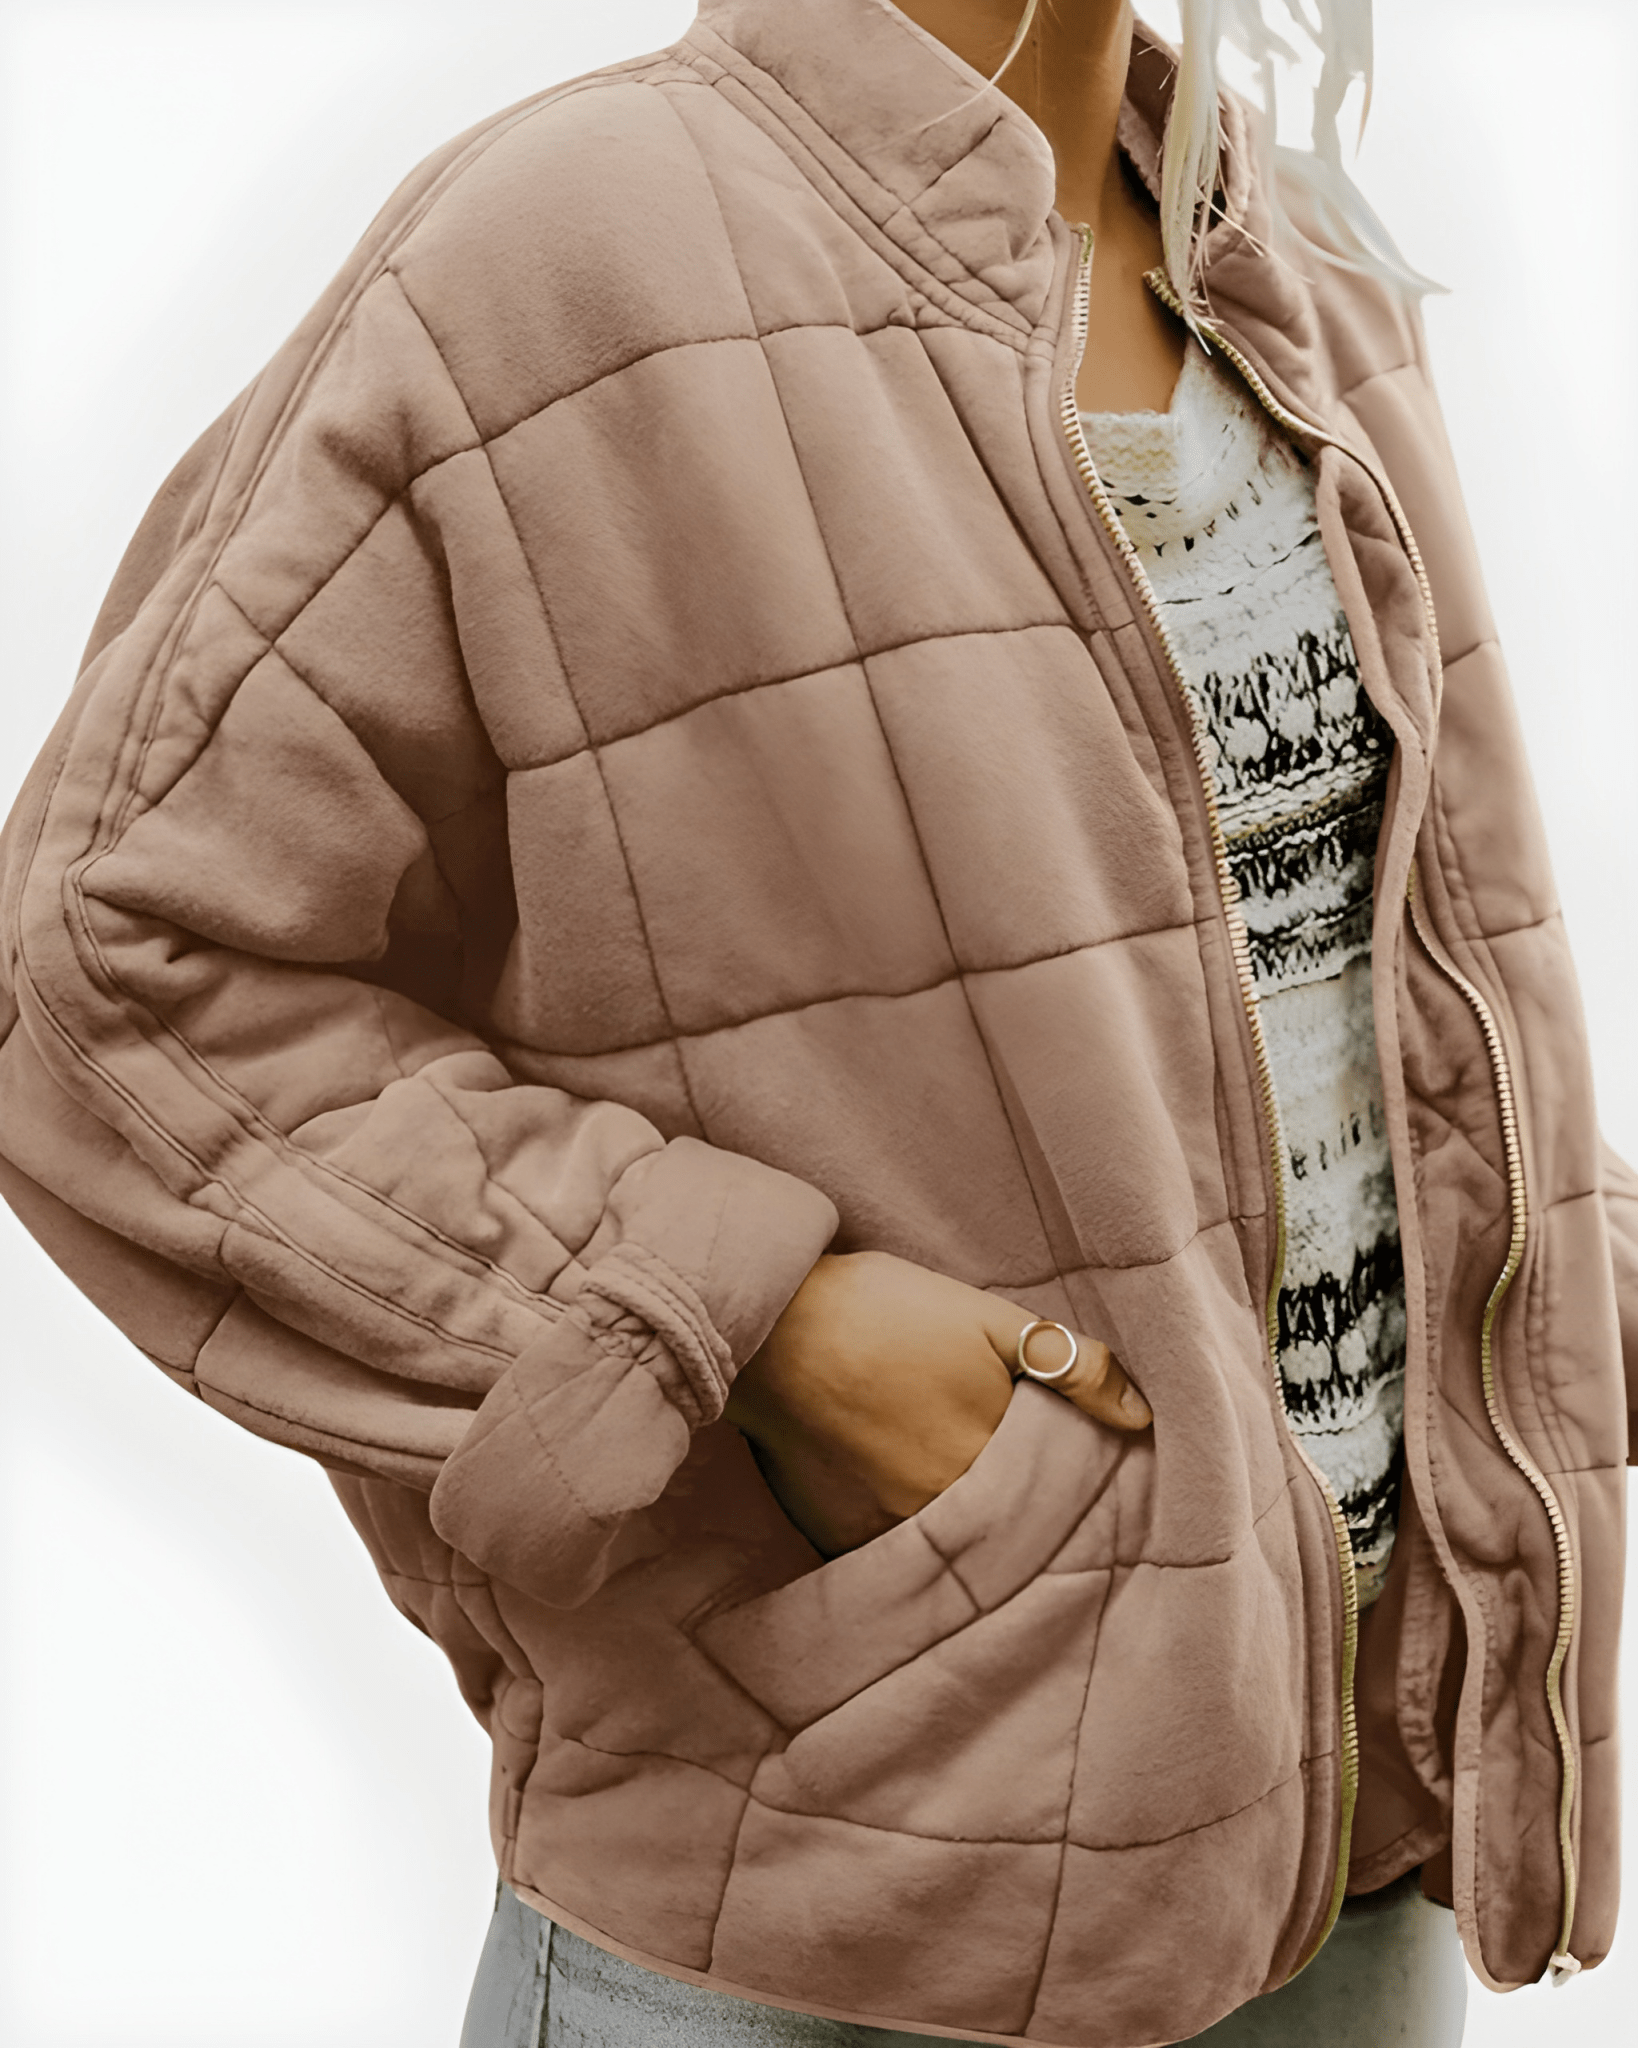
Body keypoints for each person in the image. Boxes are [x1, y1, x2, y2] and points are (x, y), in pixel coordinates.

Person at [0, 0, 1631, 2043]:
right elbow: (105, 972)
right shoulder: (564, 250)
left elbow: (1341, 989)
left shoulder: (1295, 268)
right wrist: (752, 1323)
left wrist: (1558, 1312)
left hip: (1342, 1879)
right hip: (839, 1863)